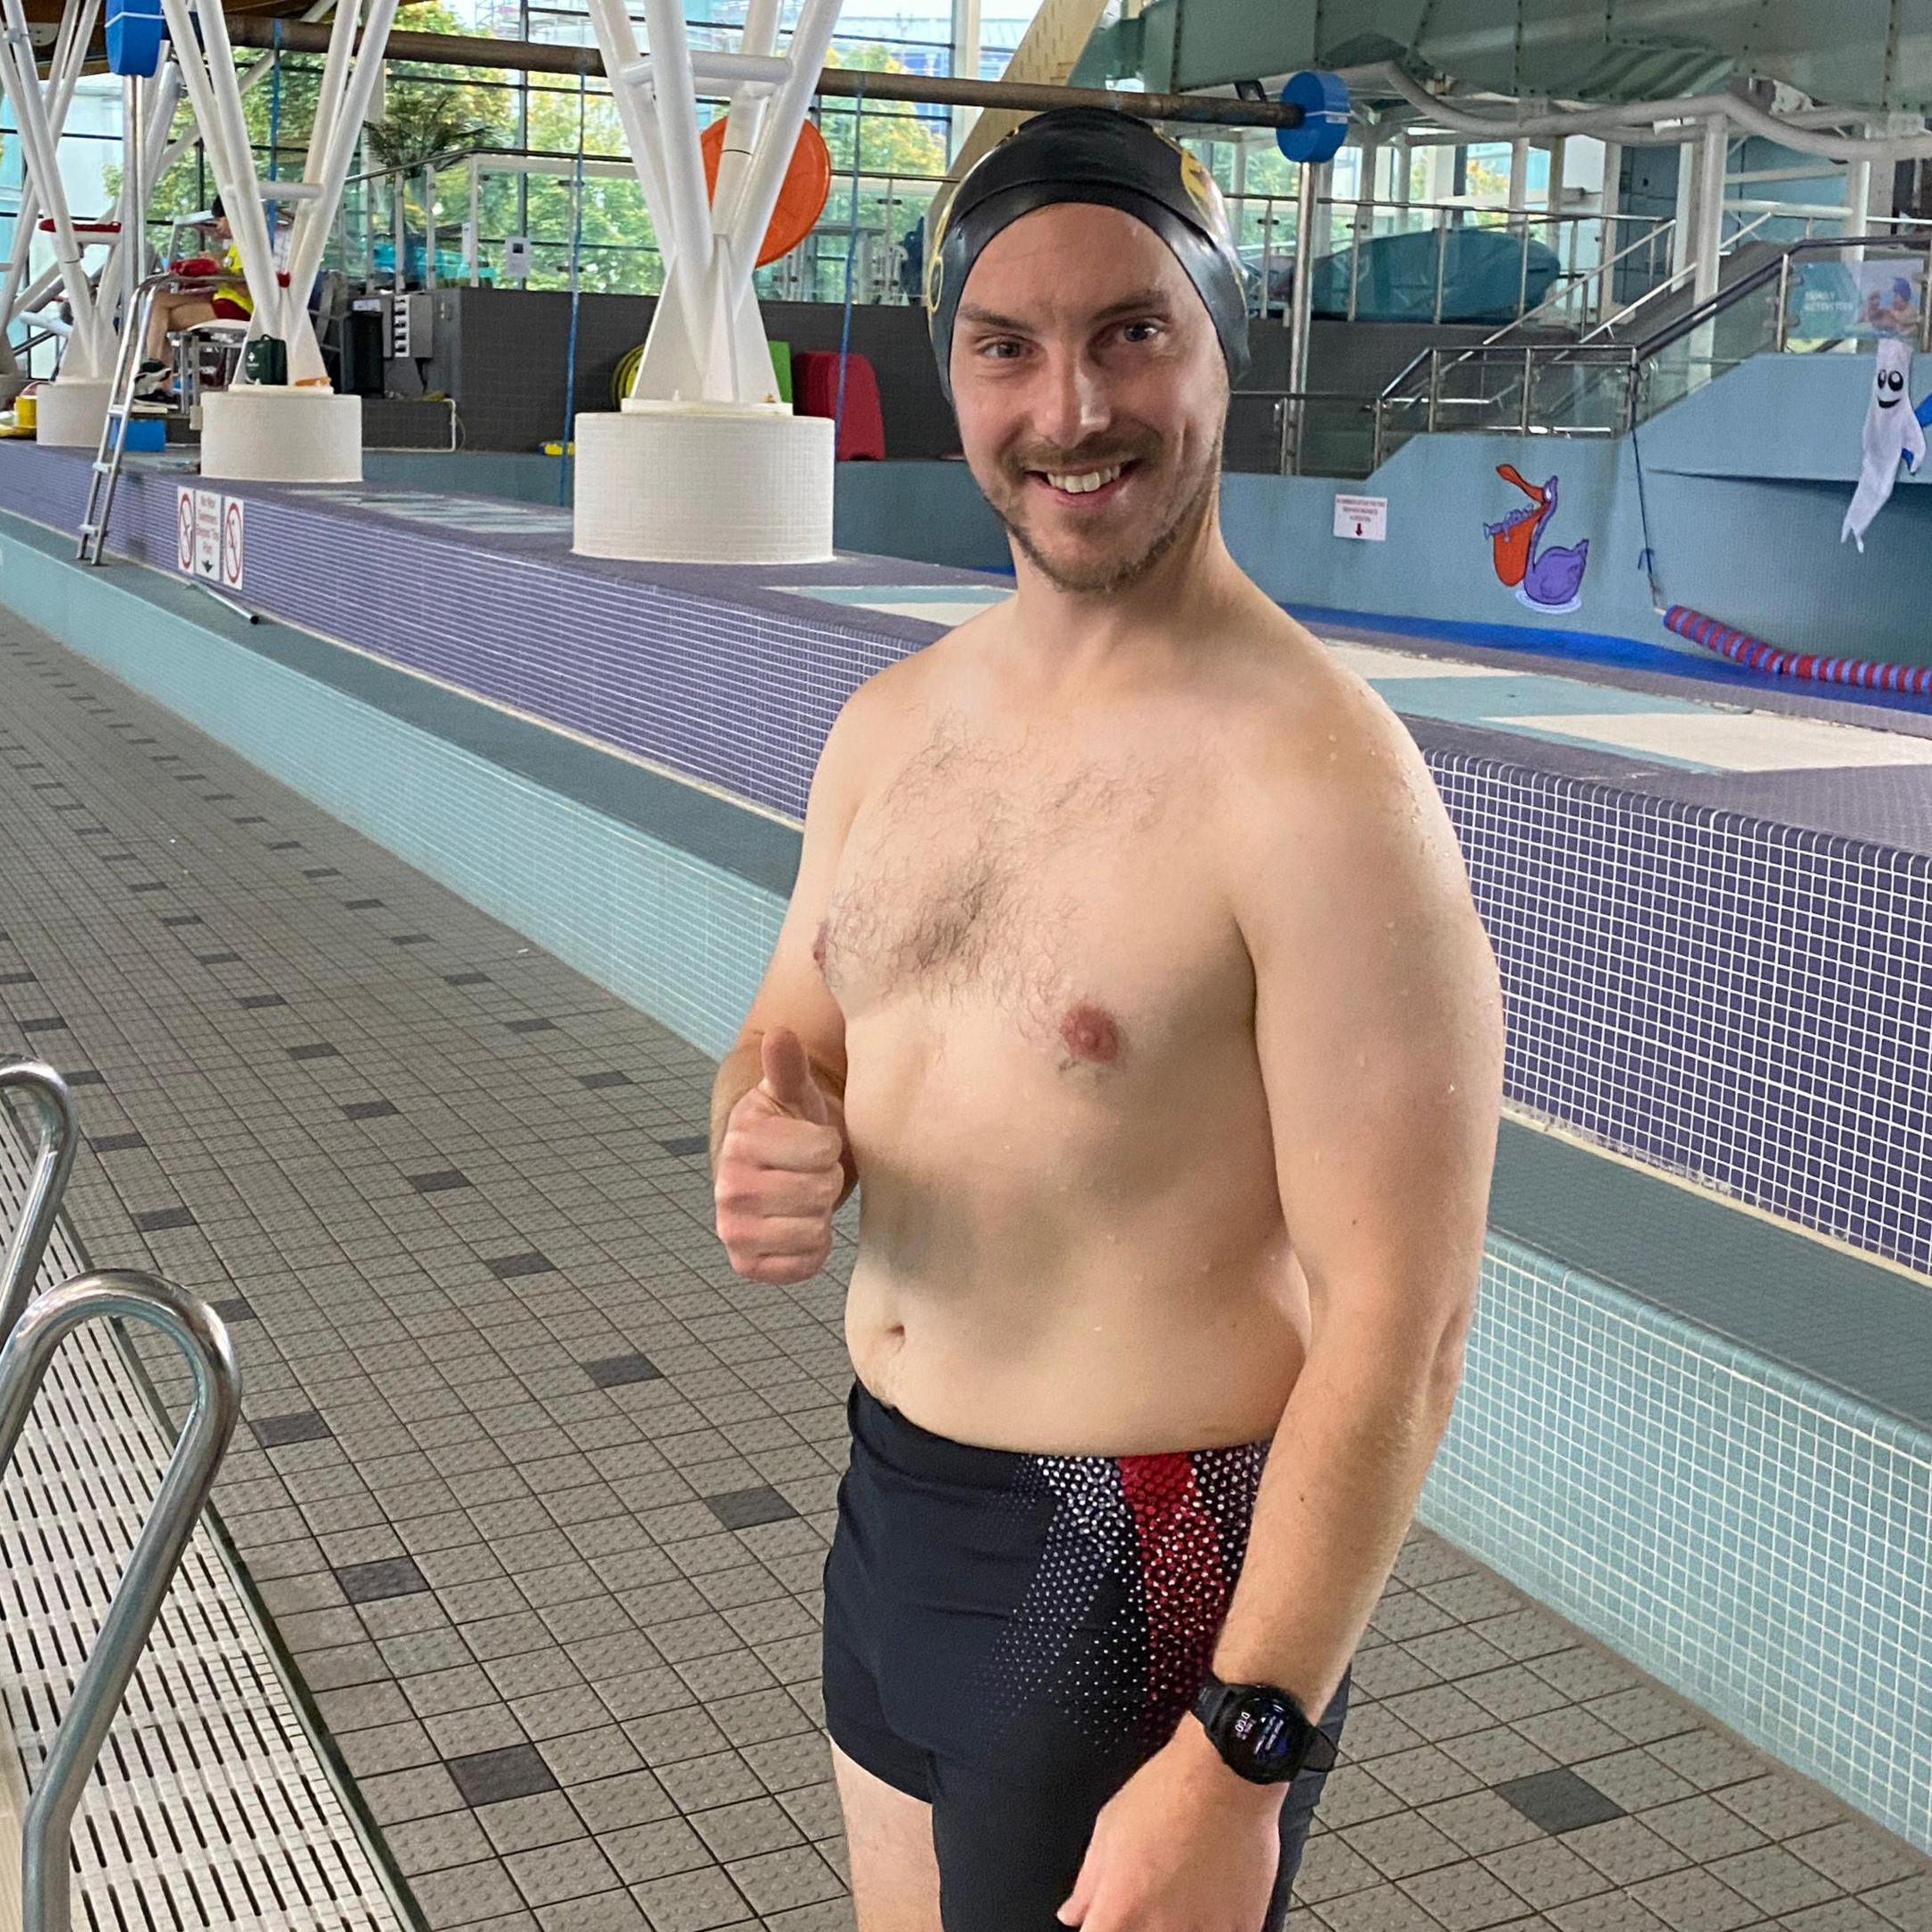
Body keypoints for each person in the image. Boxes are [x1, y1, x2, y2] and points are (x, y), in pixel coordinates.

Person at [707, 108, 1503, 1931]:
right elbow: (791, 1036)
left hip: (1133, 1564)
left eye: (1131, 330)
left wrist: (1246, 1746)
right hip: (896, 1506)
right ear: (955, 374)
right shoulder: (891, 726)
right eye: (1008, 346)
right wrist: (766, 1131)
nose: (1072, 410)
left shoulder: (1316, 783)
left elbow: (1407, 1324)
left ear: (1222, 343)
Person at [141, 216, 251, 370]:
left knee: (156, 322)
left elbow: (245, 288)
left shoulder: (247, 245)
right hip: (221, 298)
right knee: (158, 301)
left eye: (220, 220)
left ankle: (155, 369)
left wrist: (217, 268)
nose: (217, 226)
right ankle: (155, 369)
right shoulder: (233, 247)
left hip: (237, 306)